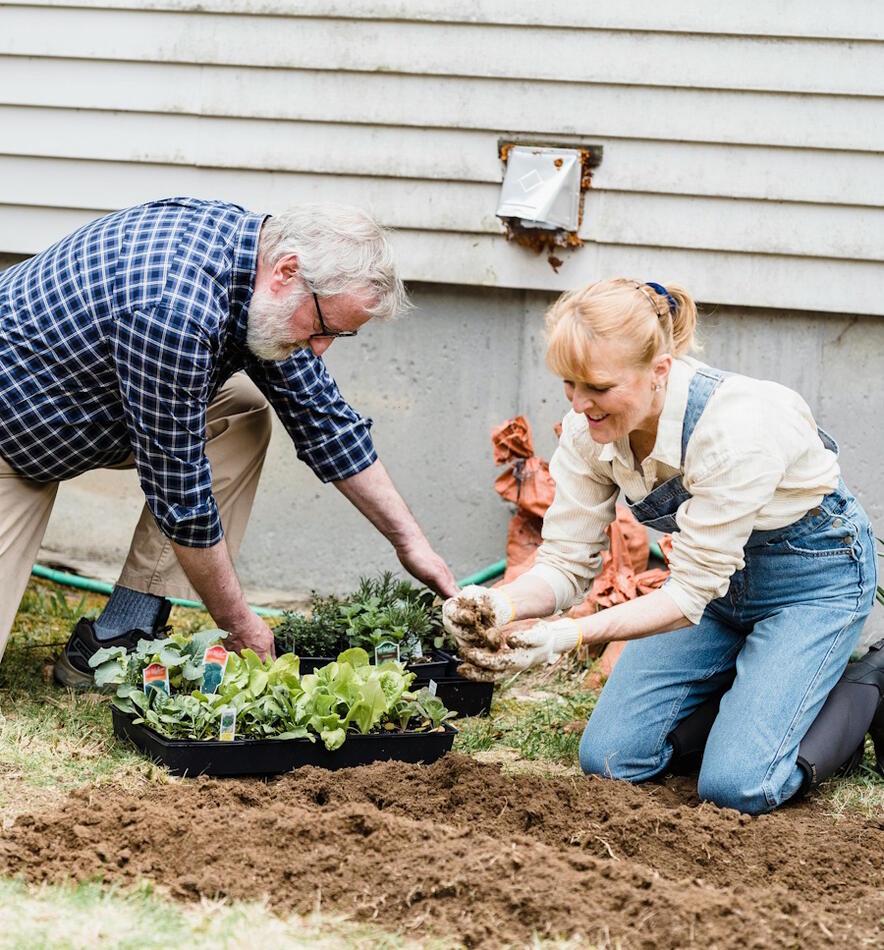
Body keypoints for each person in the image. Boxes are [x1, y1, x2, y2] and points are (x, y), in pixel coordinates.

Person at [443, 278, 882, 814]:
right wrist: (498, 604)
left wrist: (566, 635)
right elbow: (564, 563)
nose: (580, 405)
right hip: (717, 592)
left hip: (811, 583)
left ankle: (863, 685)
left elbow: (686, 596)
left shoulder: (736, 430)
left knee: (737, 787)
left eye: (598, 387)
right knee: (610, 758)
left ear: (659, 371)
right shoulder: (589, 431)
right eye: (568, 384)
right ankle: (755, 700)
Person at [0, 196, 457, 686]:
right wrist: (239, 624)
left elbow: (324, 420)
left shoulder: (258, 274)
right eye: (324, 329)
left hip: (86, 411)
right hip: (14, 429)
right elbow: (182, 499)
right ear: (287, 271)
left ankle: (119, 634)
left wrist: (411, 544)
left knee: (242, 409)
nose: (321, 348)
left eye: (338, 336)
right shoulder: (174, 307)